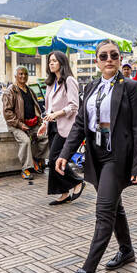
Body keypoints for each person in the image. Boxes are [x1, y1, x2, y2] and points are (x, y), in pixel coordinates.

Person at [57, 39, 137, 273]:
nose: (109, 59)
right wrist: (66, 153)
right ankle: (126, 250)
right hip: (96, 156)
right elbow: (79, 124)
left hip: (117, 157)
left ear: (119, 59)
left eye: (114, 55)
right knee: (114, 207)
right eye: (104, 56)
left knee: (103, 211)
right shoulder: (92, 86)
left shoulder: (130, 86)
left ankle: (87, 271)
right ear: (96, 61)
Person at [40, 51, 85, 205]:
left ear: (62, 62)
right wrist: (45, 123)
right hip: (52, 125)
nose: (51, 63)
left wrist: (57, 114)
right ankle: (64, 193)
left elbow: (74, 106)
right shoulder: (51, 83)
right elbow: (48, 108)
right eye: (49, 61)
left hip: (65, 125)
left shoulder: (70, 81)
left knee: (54, 159)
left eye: (54, 61)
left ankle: (77, 181)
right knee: (52, 159)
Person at [3, 66, 49, 180]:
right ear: (15, 76)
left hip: (32, 123)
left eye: (25, 74)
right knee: (26, 141)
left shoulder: (30, 90)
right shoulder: (10, 91)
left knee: (46, 136)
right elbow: (7, 113)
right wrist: (20, 124)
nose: (23, 76)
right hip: (16, 125)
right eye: (20, 74)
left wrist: (40, 121)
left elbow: (36, 108)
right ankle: (26, 168)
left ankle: (37, 159)